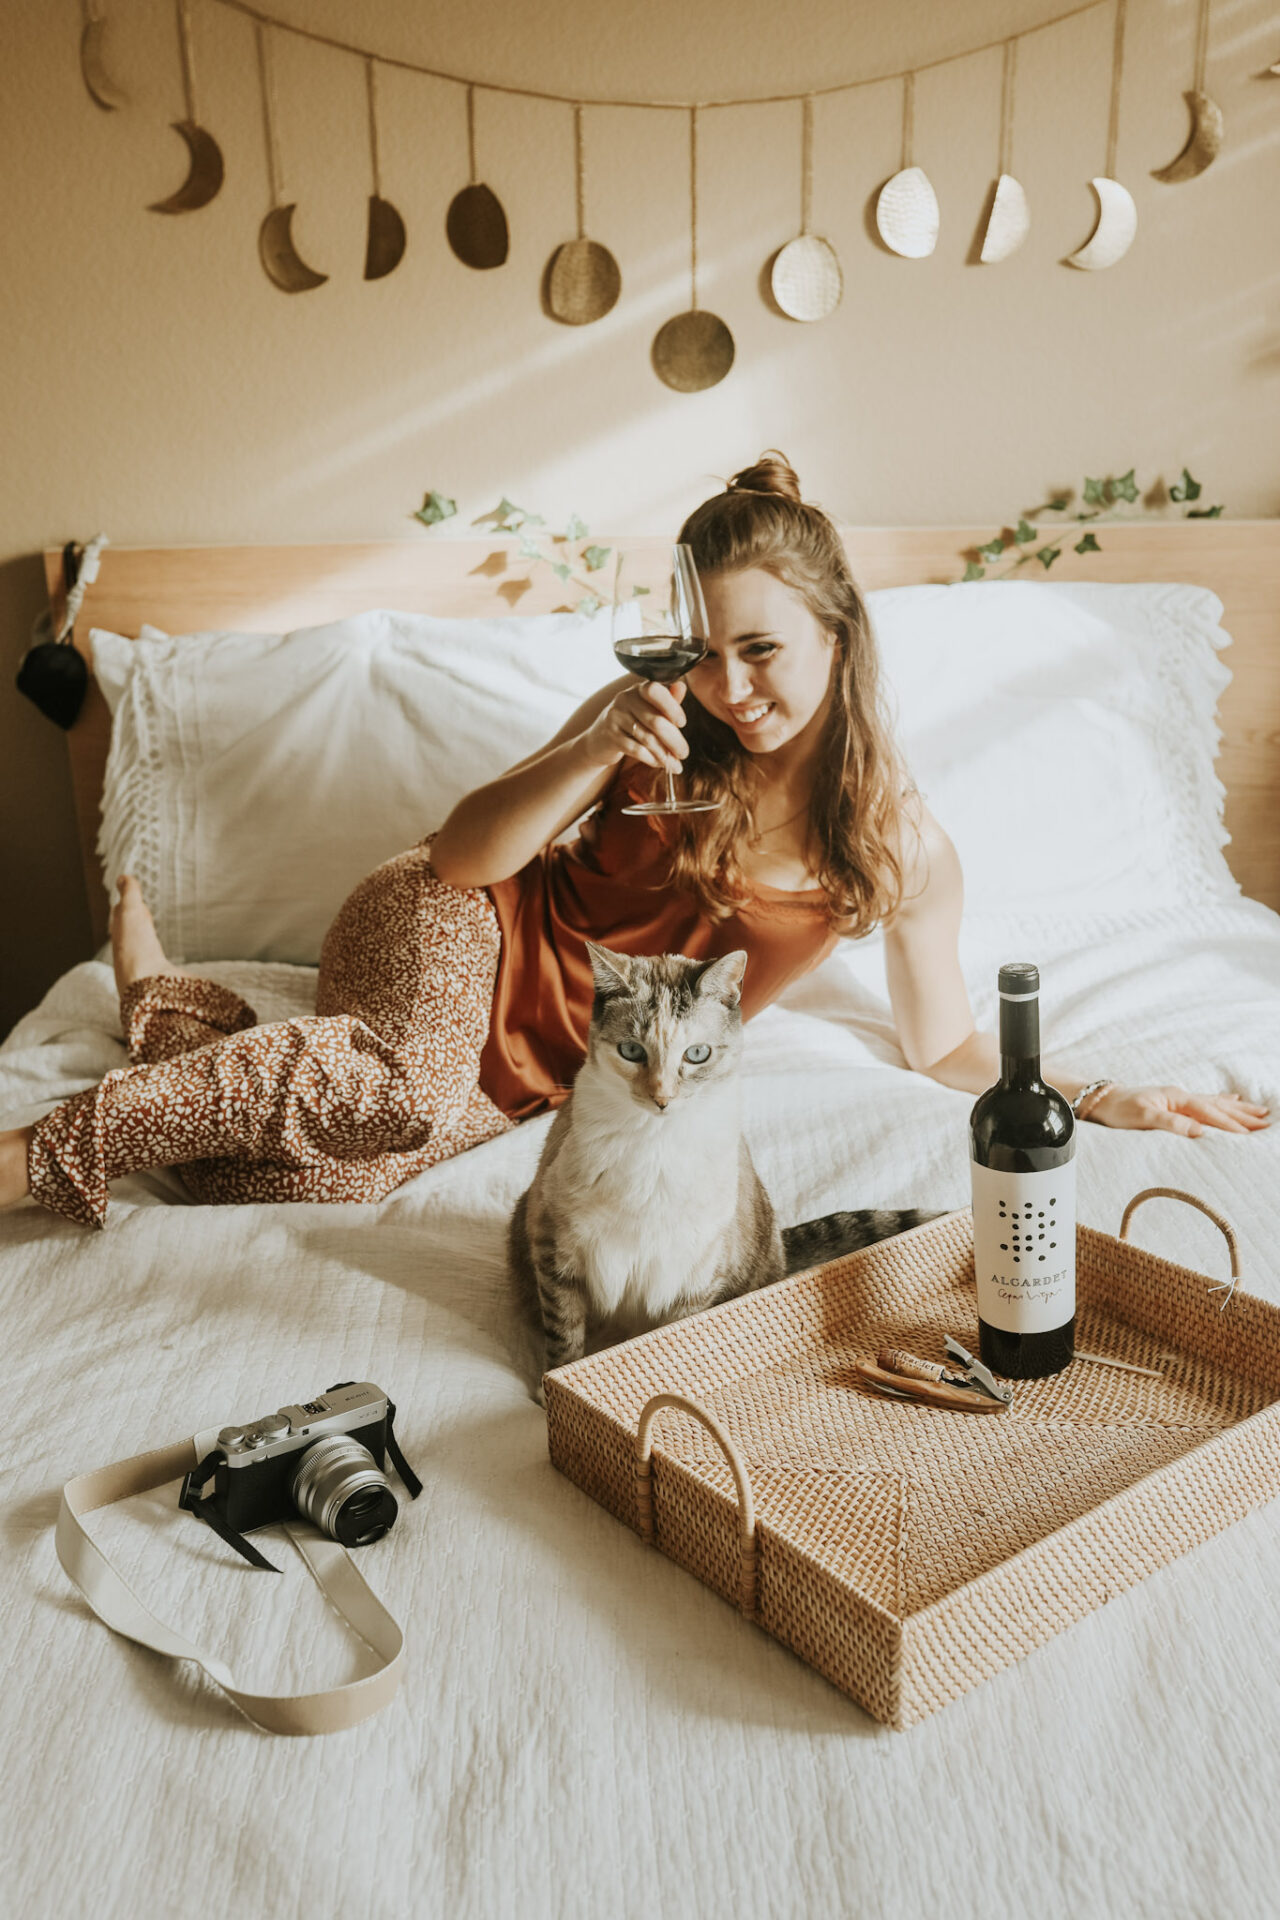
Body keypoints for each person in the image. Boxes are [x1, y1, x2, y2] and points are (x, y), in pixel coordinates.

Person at [1, 452, 1267, 1228]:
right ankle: (29, 1156)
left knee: (297, 1179)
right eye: (706, 651)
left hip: (548, 1064)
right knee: (392, 1092)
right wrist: (599, 745)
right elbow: (457, 858)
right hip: (447, 934)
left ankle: (170, 1009)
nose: (730, 687)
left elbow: (937, 1042)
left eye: (762, 648)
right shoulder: (641, 728)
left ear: (837, 633)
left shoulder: (897, 848)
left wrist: (1095, 1092)